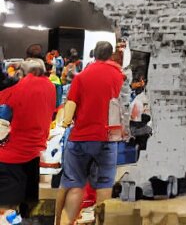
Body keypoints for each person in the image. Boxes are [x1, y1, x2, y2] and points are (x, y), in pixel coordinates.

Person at [57, 41, 125, 225]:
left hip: (81, 137)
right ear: (111, 55)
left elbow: (71, 105)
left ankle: (66, 222)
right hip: (108, 138)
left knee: (75, 184)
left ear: (94, 54)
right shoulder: (120, 76)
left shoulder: (82, 76)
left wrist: (64, 124)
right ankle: (100, 222)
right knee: (104, 184)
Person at [0, 59, 56, 221]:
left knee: (5, 203)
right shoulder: (50, 87)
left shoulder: (18, 88)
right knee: (27, 204)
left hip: (10, 154)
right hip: (34, 152)